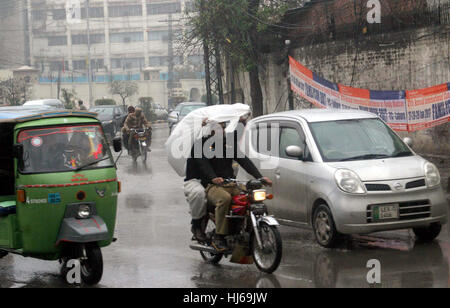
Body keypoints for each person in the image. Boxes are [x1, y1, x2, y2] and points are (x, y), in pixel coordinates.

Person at [189, 115, 272, 251]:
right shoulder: (201, 145)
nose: (221, 130)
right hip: (212, 186)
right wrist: (213, 177)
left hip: (230, 184)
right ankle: (220, 236)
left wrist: (260, 177)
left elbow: (244, 160)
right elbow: (203, 165)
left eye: (223, 127)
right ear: (210, 130)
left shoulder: (227, 144)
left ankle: (248, 229)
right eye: (218, 128)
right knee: (224, 199)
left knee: (250, 197)